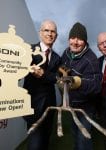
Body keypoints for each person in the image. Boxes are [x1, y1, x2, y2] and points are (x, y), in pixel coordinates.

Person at [59, 22, 102, 150]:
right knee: (75, 134)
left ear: (85, 41)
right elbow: (61, 70)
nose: (75, 42)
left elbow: (96, 85)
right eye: (73, 38)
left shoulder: (91, 59)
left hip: (85, 108)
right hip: (73, 105)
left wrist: (80, 82)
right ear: (68, 39)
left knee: (83, 139)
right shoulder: (66, 53)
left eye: (80, 39)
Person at [23, 19, 61, 150]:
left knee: (45, 143)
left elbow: (58, 78)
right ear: (40, 32)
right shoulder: (28, 50)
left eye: (53, 31)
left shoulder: (57, 58)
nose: (50, 34)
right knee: (35, 145)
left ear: (56, 36)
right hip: (32, 108)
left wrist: (44, 75)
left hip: (50, 108)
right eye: (46, 30)